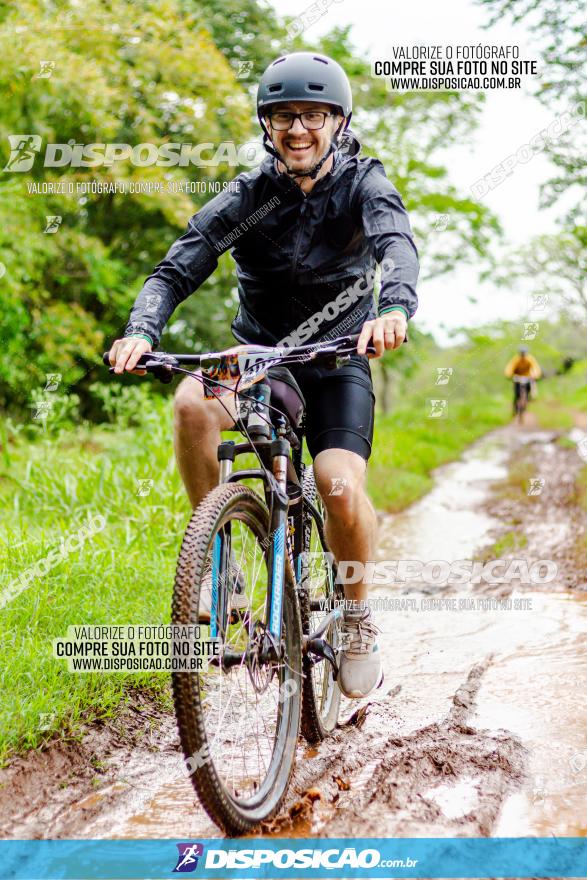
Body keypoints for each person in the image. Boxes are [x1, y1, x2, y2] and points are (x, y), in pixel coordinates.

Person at [108, 52, 420, 698]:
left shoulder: (365, 183)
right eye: (282, 117)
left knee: (335, 482)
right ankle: (220, 569)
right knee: (192, 405)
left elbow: (395, 242)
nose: (296, 128)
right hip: (259, 359)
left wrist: (392, 307)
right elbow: (178, 267)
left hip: (335, 363)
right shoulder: (248, 196)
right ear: (266, 126)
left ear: (337, 120)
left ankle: (357, 615)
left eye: (310, 115)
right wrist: (142, 329)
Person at [504, 345, 542, 413]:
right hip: (517, 377)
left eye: (524, 353)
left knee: (528, 389)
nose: (522, 355)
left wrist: (536, 375)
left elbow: (535, 367)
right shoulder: (516, 359)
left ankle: (527, 399)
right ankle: (515, 407)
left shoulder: (530, 359)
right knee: (517, 393)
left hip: (527, 377)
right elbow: (510, 367)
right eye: (521, 354)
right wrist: (508, 374)